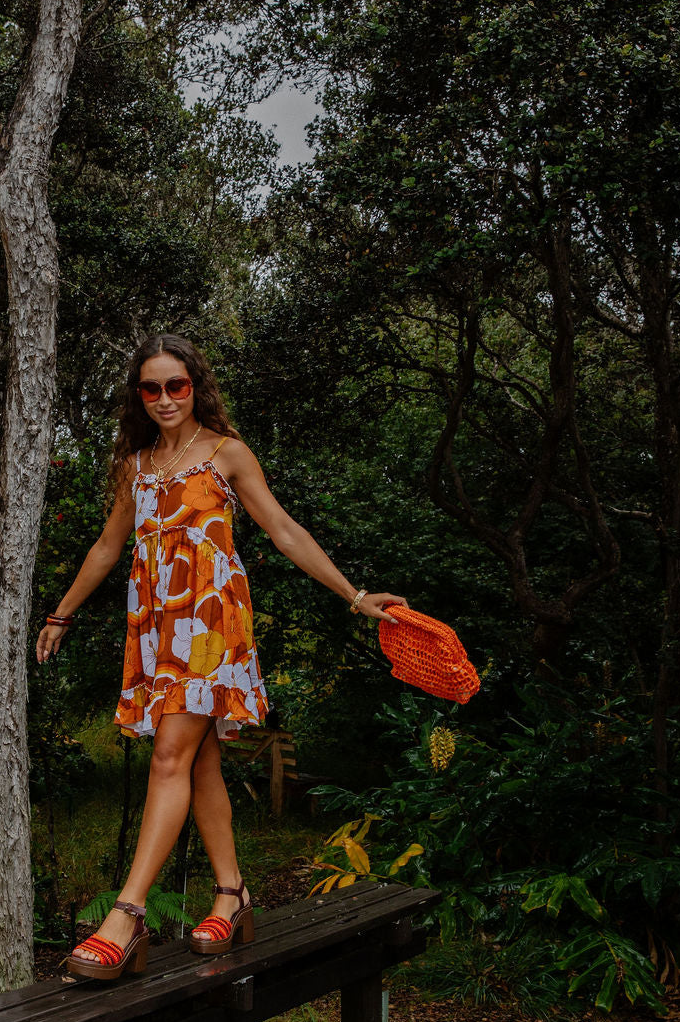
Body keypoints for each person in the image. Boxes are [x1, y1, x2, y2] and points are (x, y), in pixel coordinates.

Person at [35, 334, 408, 981]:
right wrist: (61, 612)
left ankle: (126, 916)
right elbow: (106, 546)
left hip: (211, 625)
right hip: (157, 626)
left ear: (195, 386)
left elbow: (282, 529)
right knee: (200, 762)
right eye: (150, 388)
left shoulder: (226, 454)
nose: (163, 399)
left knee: (170, 756)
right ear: (138, 397)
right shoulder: (136, 465)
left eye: (175, 385)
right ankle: (232, 895)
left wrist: (354, 595)